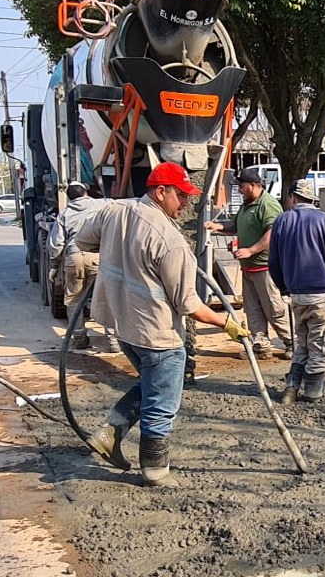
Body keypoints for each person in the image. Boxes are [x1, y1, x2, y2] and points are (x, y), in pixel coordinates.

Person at [75, 162, 251, 487]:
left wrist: (121, 250)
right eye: (180, 195)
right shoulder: (171, 241)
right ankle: (155, 470)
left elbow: (83, 242)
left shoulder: (115, 211)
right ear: (160, 192)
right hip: (158, 335)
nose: (185, 203)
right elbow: (189, 305)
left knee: (152, 385)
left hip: (122, 326)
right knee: (162, 402)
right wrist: (226, 323)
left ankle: (110, 434)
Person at [269, 180, 325, 404]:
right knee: (322, 343)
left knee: (303, 341)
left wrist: (284, 287)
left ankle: (291, 388)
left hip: (297, 294)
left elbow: (274, 261)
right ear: (312, 199)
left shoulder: (282, 221)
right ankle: (313, 391)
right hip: (322, 293)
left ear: (292, 198)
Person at [204, 168, 293, 360]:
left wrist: (250, 250)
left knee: (274, 309)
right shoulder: (246, 205)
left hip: (265, 267)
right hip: (248, 267)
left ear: (253, 186)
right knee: (253, 310)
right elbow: (235, 226)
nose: (239, 190)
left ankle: (293, 343)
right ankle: (261, 346)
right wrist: (216, 226)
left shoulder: (267, 205)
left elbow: (272, 233)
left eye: (241, 186)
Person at [48, 181, 118, 352]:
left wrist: (55, 265)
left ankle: (79, 337)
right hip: (97, 257)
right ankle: (113, 340)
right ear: (86, 193)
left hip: (74, 258)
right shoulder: (102, 204)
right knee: (106, 298)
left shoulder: (64, 213)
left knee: (74, 300)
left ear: (69, 197)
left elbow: (57, 243)